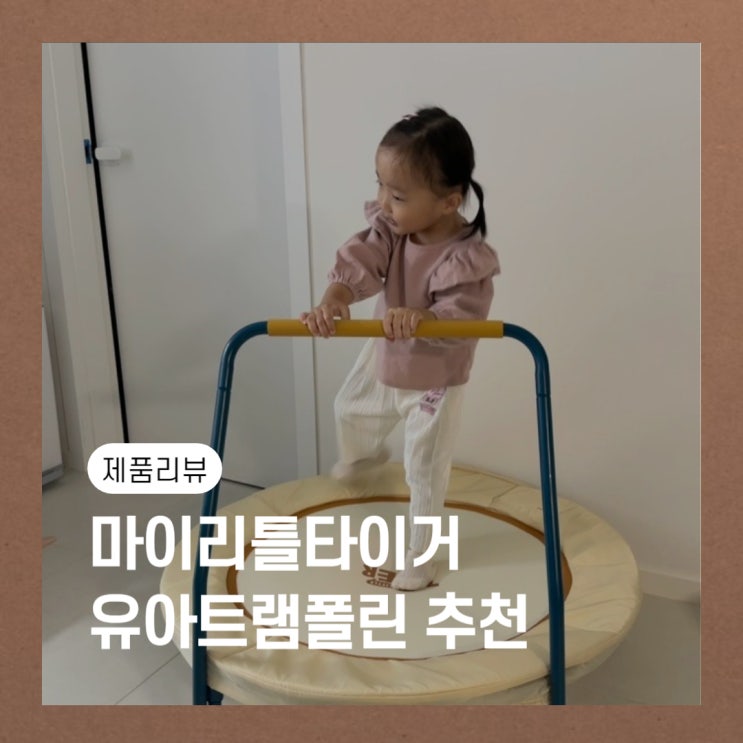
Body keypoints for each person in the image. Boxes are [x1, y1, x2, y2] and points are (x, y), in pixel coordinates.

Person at [301, 106, 500, 591]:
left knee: (424, 471)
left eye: (397, 195)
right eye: (380, 187)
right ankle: (364, 459)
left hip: (435, 376)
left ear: (450, 201)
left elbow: (463, 317)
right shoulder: (392, 230)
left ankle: (421, 556)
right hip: (385, 354)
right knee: (348, 408)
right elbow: (362, 259)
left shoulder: (465, 258)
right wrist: (335, 297)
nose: (383, 204)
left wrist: (424, 318)